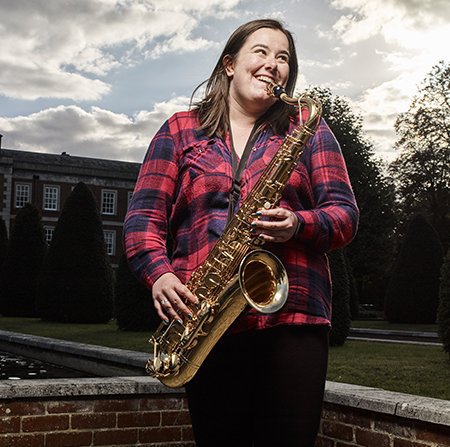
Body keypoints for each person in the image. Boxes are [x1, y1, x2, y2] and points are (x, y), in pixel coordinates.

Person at [124, 18, 359, 447]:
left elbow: (344, 215)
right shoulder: (179, 130)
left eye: (284, 57)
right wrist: (159, 274)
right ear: (230, 64)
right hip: (205, 314)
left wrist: (298, 224)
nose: (273, 65)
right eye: (262, 52)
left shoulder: (308, 129)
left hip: (295, 314)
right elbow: (142, 220)